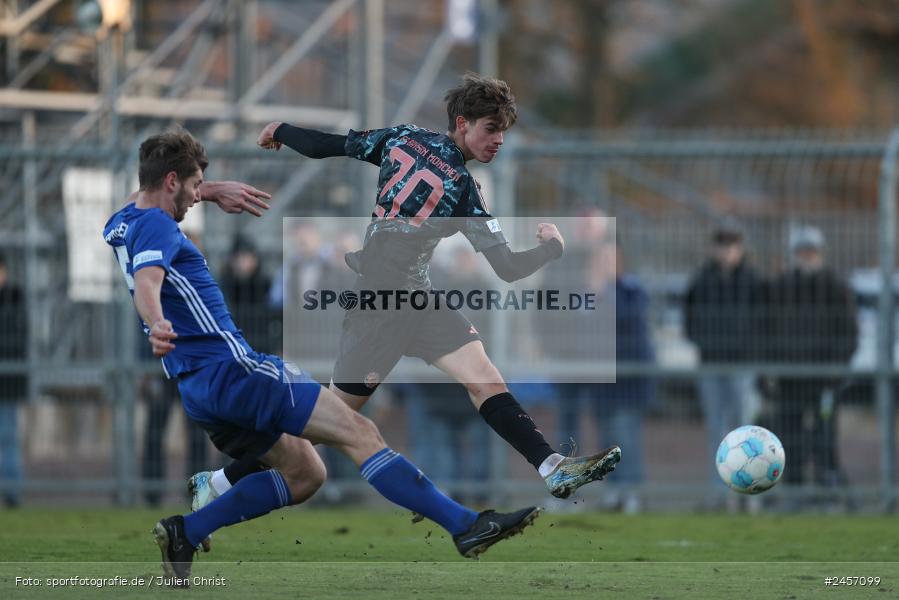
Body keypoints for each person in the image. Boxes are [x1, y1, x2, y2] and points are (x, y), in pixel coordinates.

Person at [103, 130, 540, 585]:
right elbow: (149, 280)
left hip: (197, 388)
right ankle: (466, 526)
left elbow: (147, 202)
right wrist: (156, 321)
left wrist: (210, 190)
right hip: (236, 371)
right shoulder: (158, 226)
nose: (197, 197)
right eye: (194, 185)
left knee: (306, 473)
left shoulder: (124, 219)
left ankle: (186, 532)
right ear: (171, 181)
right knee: (360, 433)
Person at [250, 72, 620, 504]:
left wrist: (281, 129)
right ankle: (224, 479)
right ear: (463, 123)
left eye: (502, 131)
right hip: (382, 305)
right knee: (330, 420)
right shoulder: (464, 190)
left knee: (484, 377)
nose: (499, 140)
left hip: (414, 298)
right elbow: (507, 268)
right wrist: (553, 248)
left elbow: (327, 145)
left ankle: (551, 465)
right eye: (491, 128)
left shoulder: (403, 137)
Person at [556, 241, 656, 513]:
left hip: (628, 382)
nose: (605, 265)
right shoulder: (588, 292)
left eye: (610, 259)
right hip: (601, 382)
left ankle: (632, 492)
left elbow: (624, 320)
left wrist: (602, 294)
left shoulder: (631, 291)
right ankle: (614, 491)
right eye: (601, 260)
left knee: (627, 437)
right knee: (607, 439)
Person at [765, 226, 857, 487]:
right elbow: (768, 328)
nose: (807, 257)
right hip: (790, 378)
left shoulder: (836, 287)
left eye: (812, 251)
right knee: (789, 435)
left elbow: (849, 332)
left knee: (824, 435)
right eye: (802, 251)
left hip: (825, 378)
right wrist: (769, 369)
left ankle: (826, 487)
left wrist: (836, 368)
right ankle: (794, 489)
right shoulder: (781, 287)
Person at [684, 228, 764, 492]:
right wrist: (705, 343)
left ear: (740, 249)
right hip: (711, 363)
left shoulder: (753, 280)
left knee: (746, 431)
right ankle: (720, 492)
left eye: (732, 246)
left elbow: (765, 319)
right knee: (716, 429)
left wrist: (750, 347)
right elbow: (689, 318)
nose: (727, 252)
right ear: (713, 248)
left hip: (743, 365)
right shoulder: (701, 280)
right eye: (722, 246)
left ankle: (747, 489)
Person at [0, 254, 25, 508]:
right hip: (8, 379)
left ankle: (12, 492)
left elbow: (16, 340)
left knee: (7, 436)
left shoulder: (15, 297)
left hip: (7, 382)